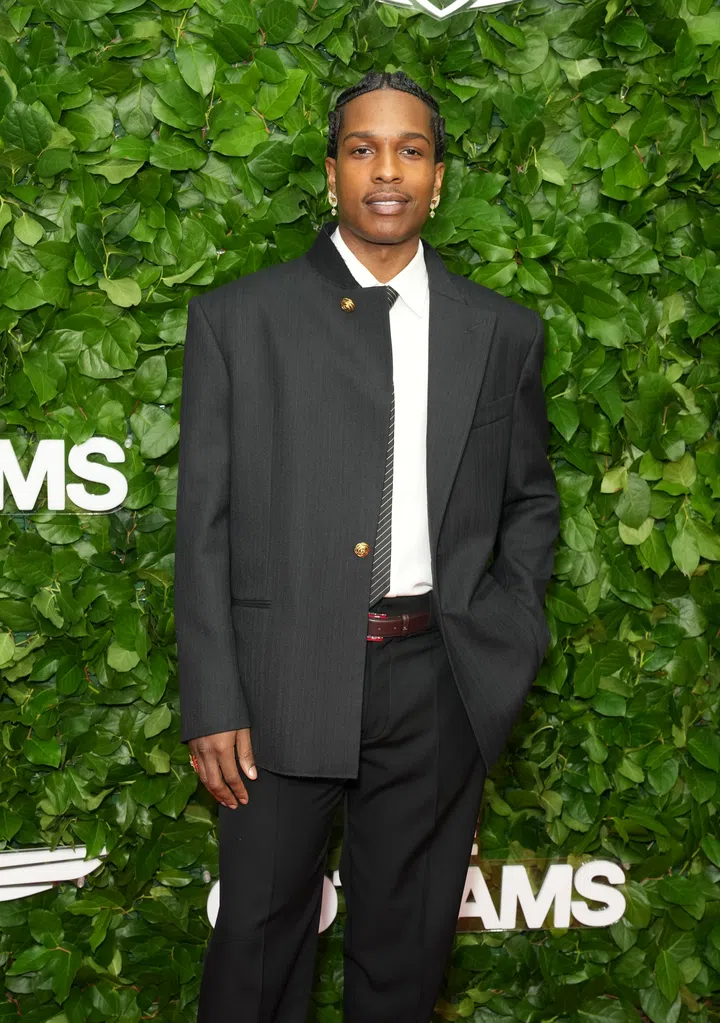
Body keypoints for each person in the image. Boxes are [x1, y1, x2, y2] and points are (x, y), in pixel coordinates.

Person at [175, 69, 560, 1023]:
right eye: (363, 148)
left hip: (436, 684)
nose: (386, 170)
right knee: (254, 961)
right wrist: (216, 696)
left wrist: (500, 642)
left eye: (411, 150)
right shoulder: (238, 321)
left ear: (438, 178)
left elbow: (530, 501)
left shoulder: (503, 333)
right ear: (333, 171)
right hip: (274, 690)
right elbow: (204, 526)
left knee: (405, 963)